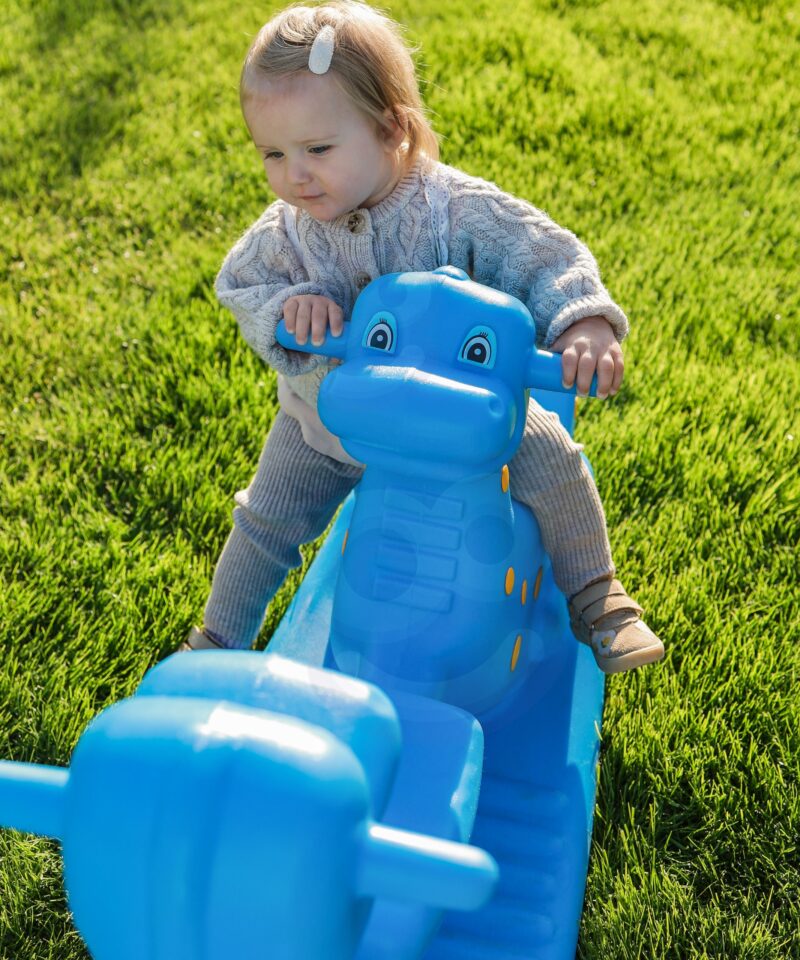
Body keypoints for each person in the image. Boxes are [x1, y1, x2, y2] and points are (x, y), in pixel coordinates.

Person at [183, 0, 664, 674]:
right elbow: (240, 283)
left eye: (318, 149)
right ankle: (217, 640)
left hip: (465, 425)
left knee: (554, 463)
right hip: (327, 421)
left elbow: (544, 253)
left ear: (391, 130)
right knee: (266, 519)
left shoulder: (453, 208)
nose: (294, 174)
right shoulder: (286, 229)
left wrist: (582, 320)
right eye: (273, 152)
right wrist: (293, 308)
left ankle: (597, 596)